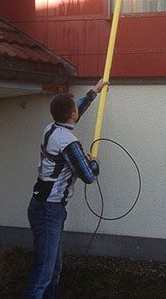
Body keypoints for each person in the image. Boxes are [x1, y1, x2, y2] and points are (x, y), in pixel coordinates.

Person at [23, 79, 108, 299]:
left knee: (53, 267)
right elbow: (89, 176)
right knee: (44, 272)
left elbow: (74, 110)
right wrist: (95, 161)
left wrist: (94, 92)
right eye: (73, 108)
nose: (75, 110)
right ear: (71, 115)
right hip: (49, 210)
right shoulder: (69, 143)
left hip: (44, 207)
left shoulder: (51, 128)